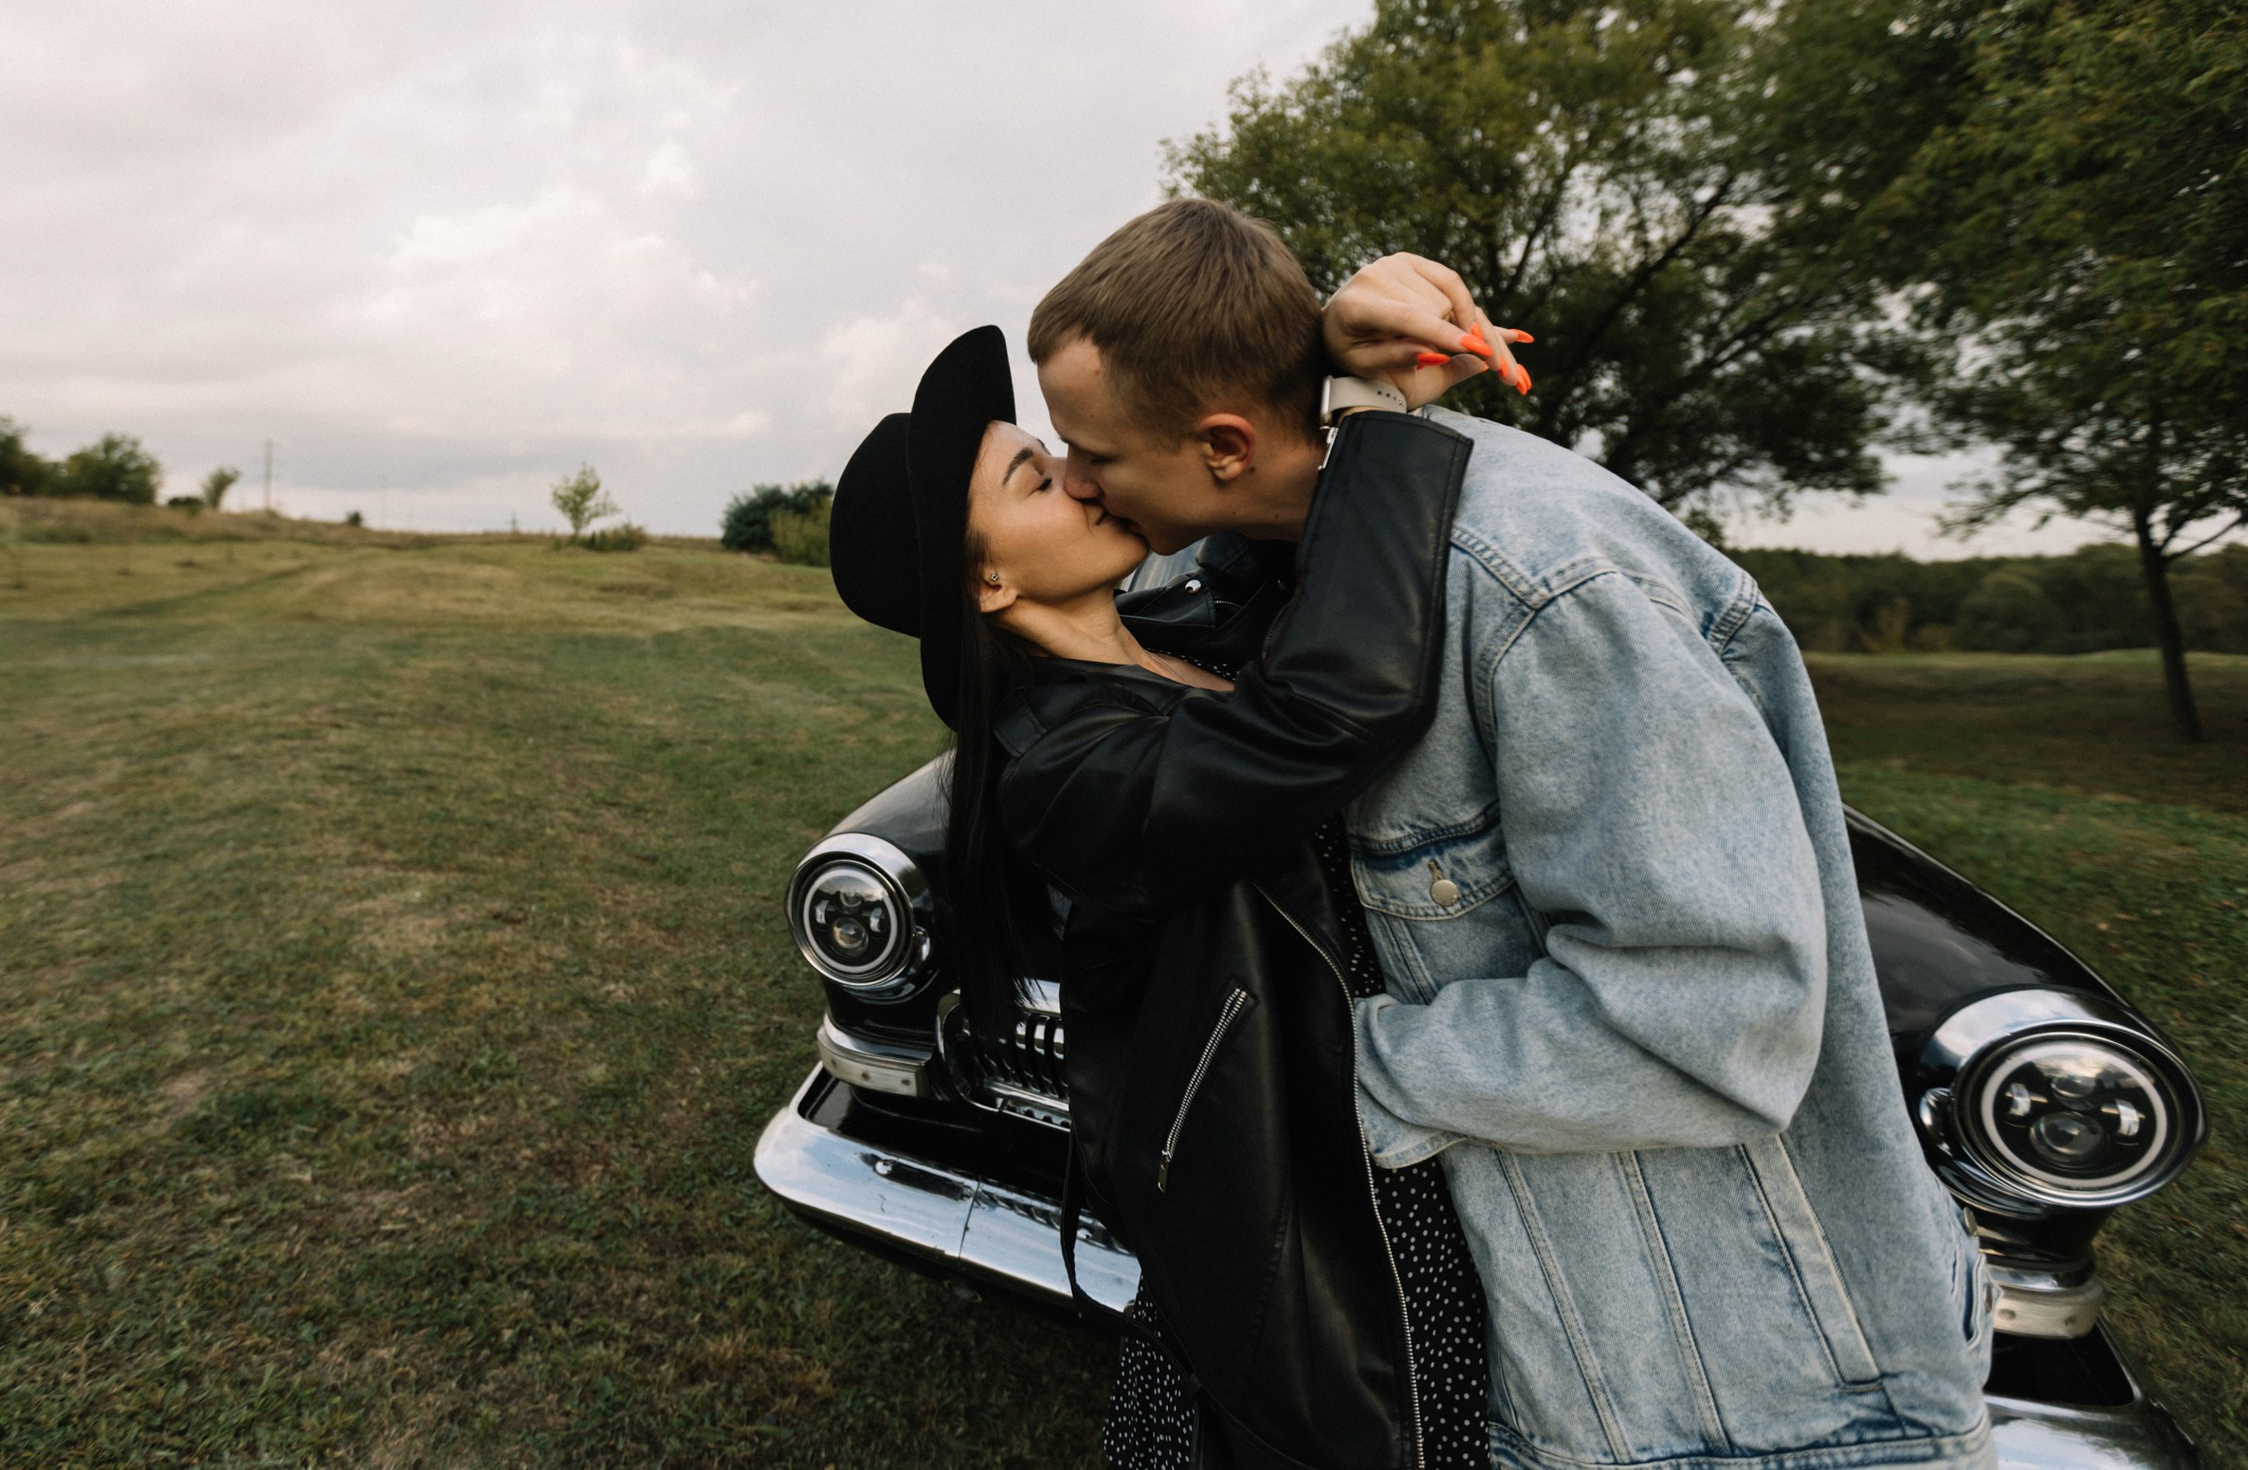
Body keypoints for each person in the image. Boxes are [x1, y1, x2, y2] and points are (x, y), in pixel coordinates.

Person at [1025, 198, 1997, 1470]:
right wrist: (1329, 353)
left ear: (1217, 444)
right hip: (1536, 1359)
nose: (1074, 482)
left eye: (1090, 451)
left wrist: (1309, 1080)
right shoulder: (1244, 566)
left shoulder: (1537, 582)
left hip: (1744, 1405)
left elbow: (1718, 1017)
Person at [827, 321, 1496, 1468]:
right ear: (987, 578)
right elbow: (1334, 709)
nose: (1083, 477)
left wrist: (1346, 353)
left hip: (1400, 1139)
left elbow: (1263, 518)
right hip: (1302, 1223)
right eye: (1037, 477)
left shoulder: (1180, 629)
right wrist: (1377, 428)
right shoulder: (1060, 767)